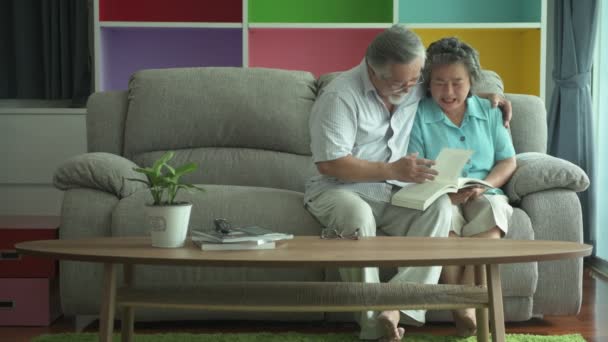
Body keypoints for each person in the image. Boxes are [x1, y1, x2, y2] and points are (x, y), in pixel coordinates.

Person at [304, 25, 512, 341]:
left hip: (390, 189)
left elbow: (449, 91)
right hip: (338, 188)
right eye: (403, 82)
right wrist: (393, 169)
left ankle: (395, 306)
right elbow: (330, 163)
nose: (412, 87)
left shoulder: (410, 83)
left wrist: (488, 98)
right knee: (357, 217)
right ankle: (373, 327)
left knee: (439, 208)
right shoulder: (340, 97)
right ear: (373, 71)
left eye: (417, 79)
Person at [407, 36, 517, 337]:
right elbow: (414, 165)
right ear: (428, 83)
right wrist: (448, 193)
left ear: (472, 82)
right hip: (441, 194)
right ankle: (465, 309)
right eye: (439, 83)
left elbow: (508, 161)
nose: (449, 92)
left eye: (457, 82)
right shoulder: (418, 115)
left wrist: (485, 186)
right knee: (443, 219)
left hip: (485, 190)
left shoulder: (491, 111)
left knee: (495, 210)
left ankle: (461, 306)